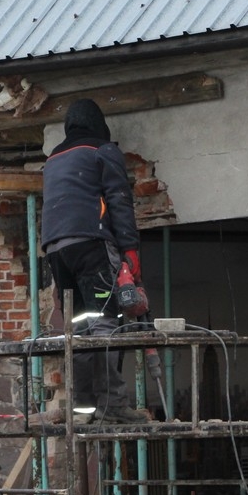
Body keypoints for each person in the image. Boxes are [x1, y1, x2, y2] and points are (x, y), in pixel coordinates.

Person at [40, 97, 153, 424]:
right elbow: (119, 201)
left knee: (78, 328)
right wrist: (130, 252)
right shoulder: (103, 150)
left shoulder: (53, 160)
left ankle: (82, 409)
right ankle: (112, 407)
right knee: (105, 324)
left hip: (57, 253)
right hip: (91, 247)